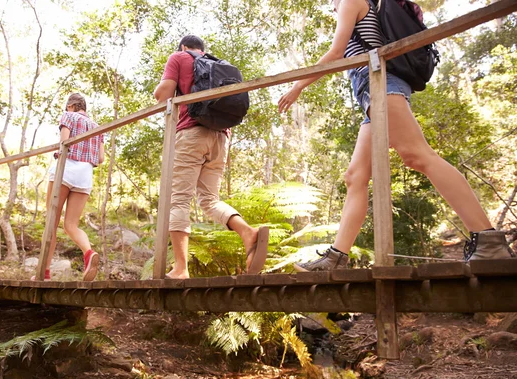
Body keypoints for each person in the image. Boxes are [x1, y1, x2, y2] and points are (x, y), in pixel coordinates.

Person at [278, 0, 515, 271]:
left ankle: (488, 241)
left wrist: (297, 87)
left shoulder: (350, 0)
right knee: (355, 177)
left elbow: (336, 52)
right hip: (373, 89)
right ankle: (336, 258)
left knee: (417, 155)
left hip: (380, 84)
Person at [153, 35, 269, 279]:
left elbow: (161, 94)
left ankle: (181, 268)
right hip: (221, 137)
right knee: (209, 200)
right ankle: (247, 232)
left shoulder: (179, 57)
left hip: (191, 133)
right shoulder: (218, 63)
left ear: (183, 47)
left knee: (180, 200)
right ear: (202, 49)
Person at [35, 93, 104, 281]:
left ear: (71, 106)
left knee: (52, 222)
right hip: (85, 175)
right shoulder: (97, 127)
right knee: (71, 225)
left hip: (66, 169)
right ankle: (88, 253)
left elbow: (64, 143)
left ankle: (44, 273)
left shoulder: (69, 116)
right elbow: (100, 159)